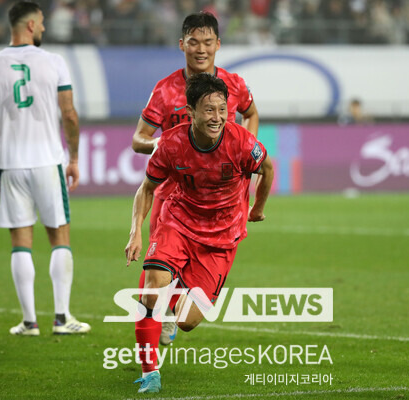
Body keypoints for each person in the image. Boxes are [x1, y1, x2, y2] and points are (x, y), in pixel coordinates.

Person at [125, 73, 274, 393]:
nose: (217, 117)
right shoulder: (170, 143)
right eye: (209, 110)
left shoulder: (243, 142)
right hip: (177, 222)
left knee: (187, 322)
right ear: (191, 112)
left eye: (223, 110)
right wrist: (136, 231)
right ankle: (149, 373)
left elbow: (268, 168)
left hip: (221, 238)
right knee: (151, 290)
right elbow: (146, 189)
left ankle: (174, 300)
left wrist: (258, 208)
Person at [131, 11, 260, 346]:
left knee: (185, 306)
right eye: (193, 42)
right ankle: (150, 349)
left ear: (218, 44)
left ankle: (172, 310)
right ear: (182, 45)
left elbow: (251, 113)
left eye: (207, 42)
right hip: (174, 194)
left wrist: (248, 154)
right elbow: (138, 139)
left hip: (219, 199)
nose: (200, 49)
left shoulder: (232, 85)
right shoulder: (164, 90)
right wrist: (166, 145)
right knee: (155, 277)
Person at [0, 1, 90, 336]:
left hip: (10, 163)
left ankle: (28, 322)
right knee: (59, 238)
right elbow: (69, 114)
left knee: (20, 242)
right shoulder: (53, 62)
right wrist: (75, 158)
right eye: (41, 24)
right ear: (31, 24)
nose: (44, 29)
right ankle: (62, 318)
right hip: (47, 161)